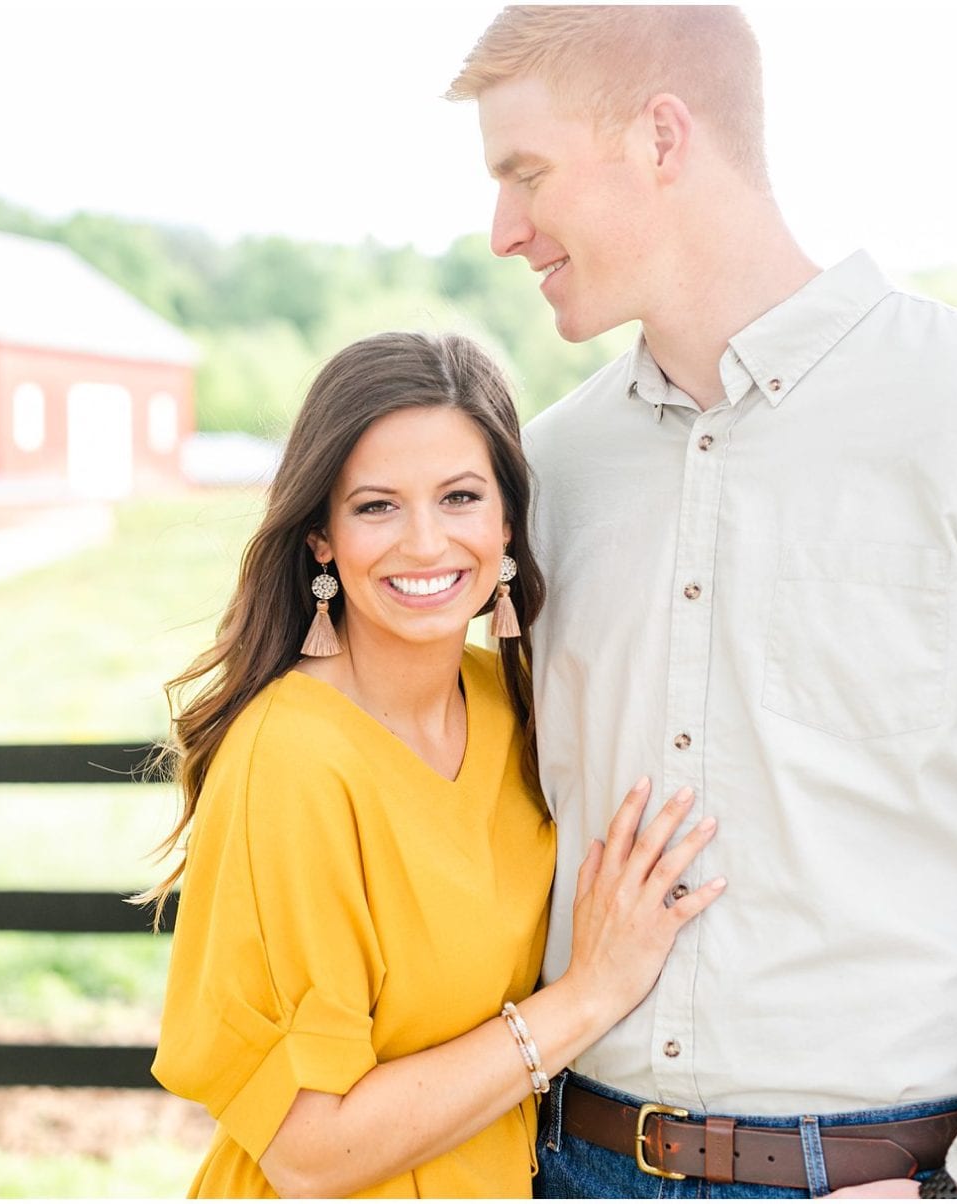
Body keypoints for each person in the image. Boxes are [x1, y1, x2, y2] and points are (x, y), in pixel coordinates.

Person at [445, 6, 957, 1199]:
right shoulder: (543, 473)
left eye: (527, 173)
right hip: (571, 1161)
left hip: (884, 1173)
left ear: (663, 137)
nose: (503, 229)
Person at [144, 331, 727, 1198]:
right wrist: (589, 996)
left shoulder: (515, 705)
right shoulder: (292, 759)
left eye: (459, 497)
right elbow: (307, 1150)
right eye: (377, 506)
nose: (426, 543)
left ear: (505, 522)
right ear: (320, 539)